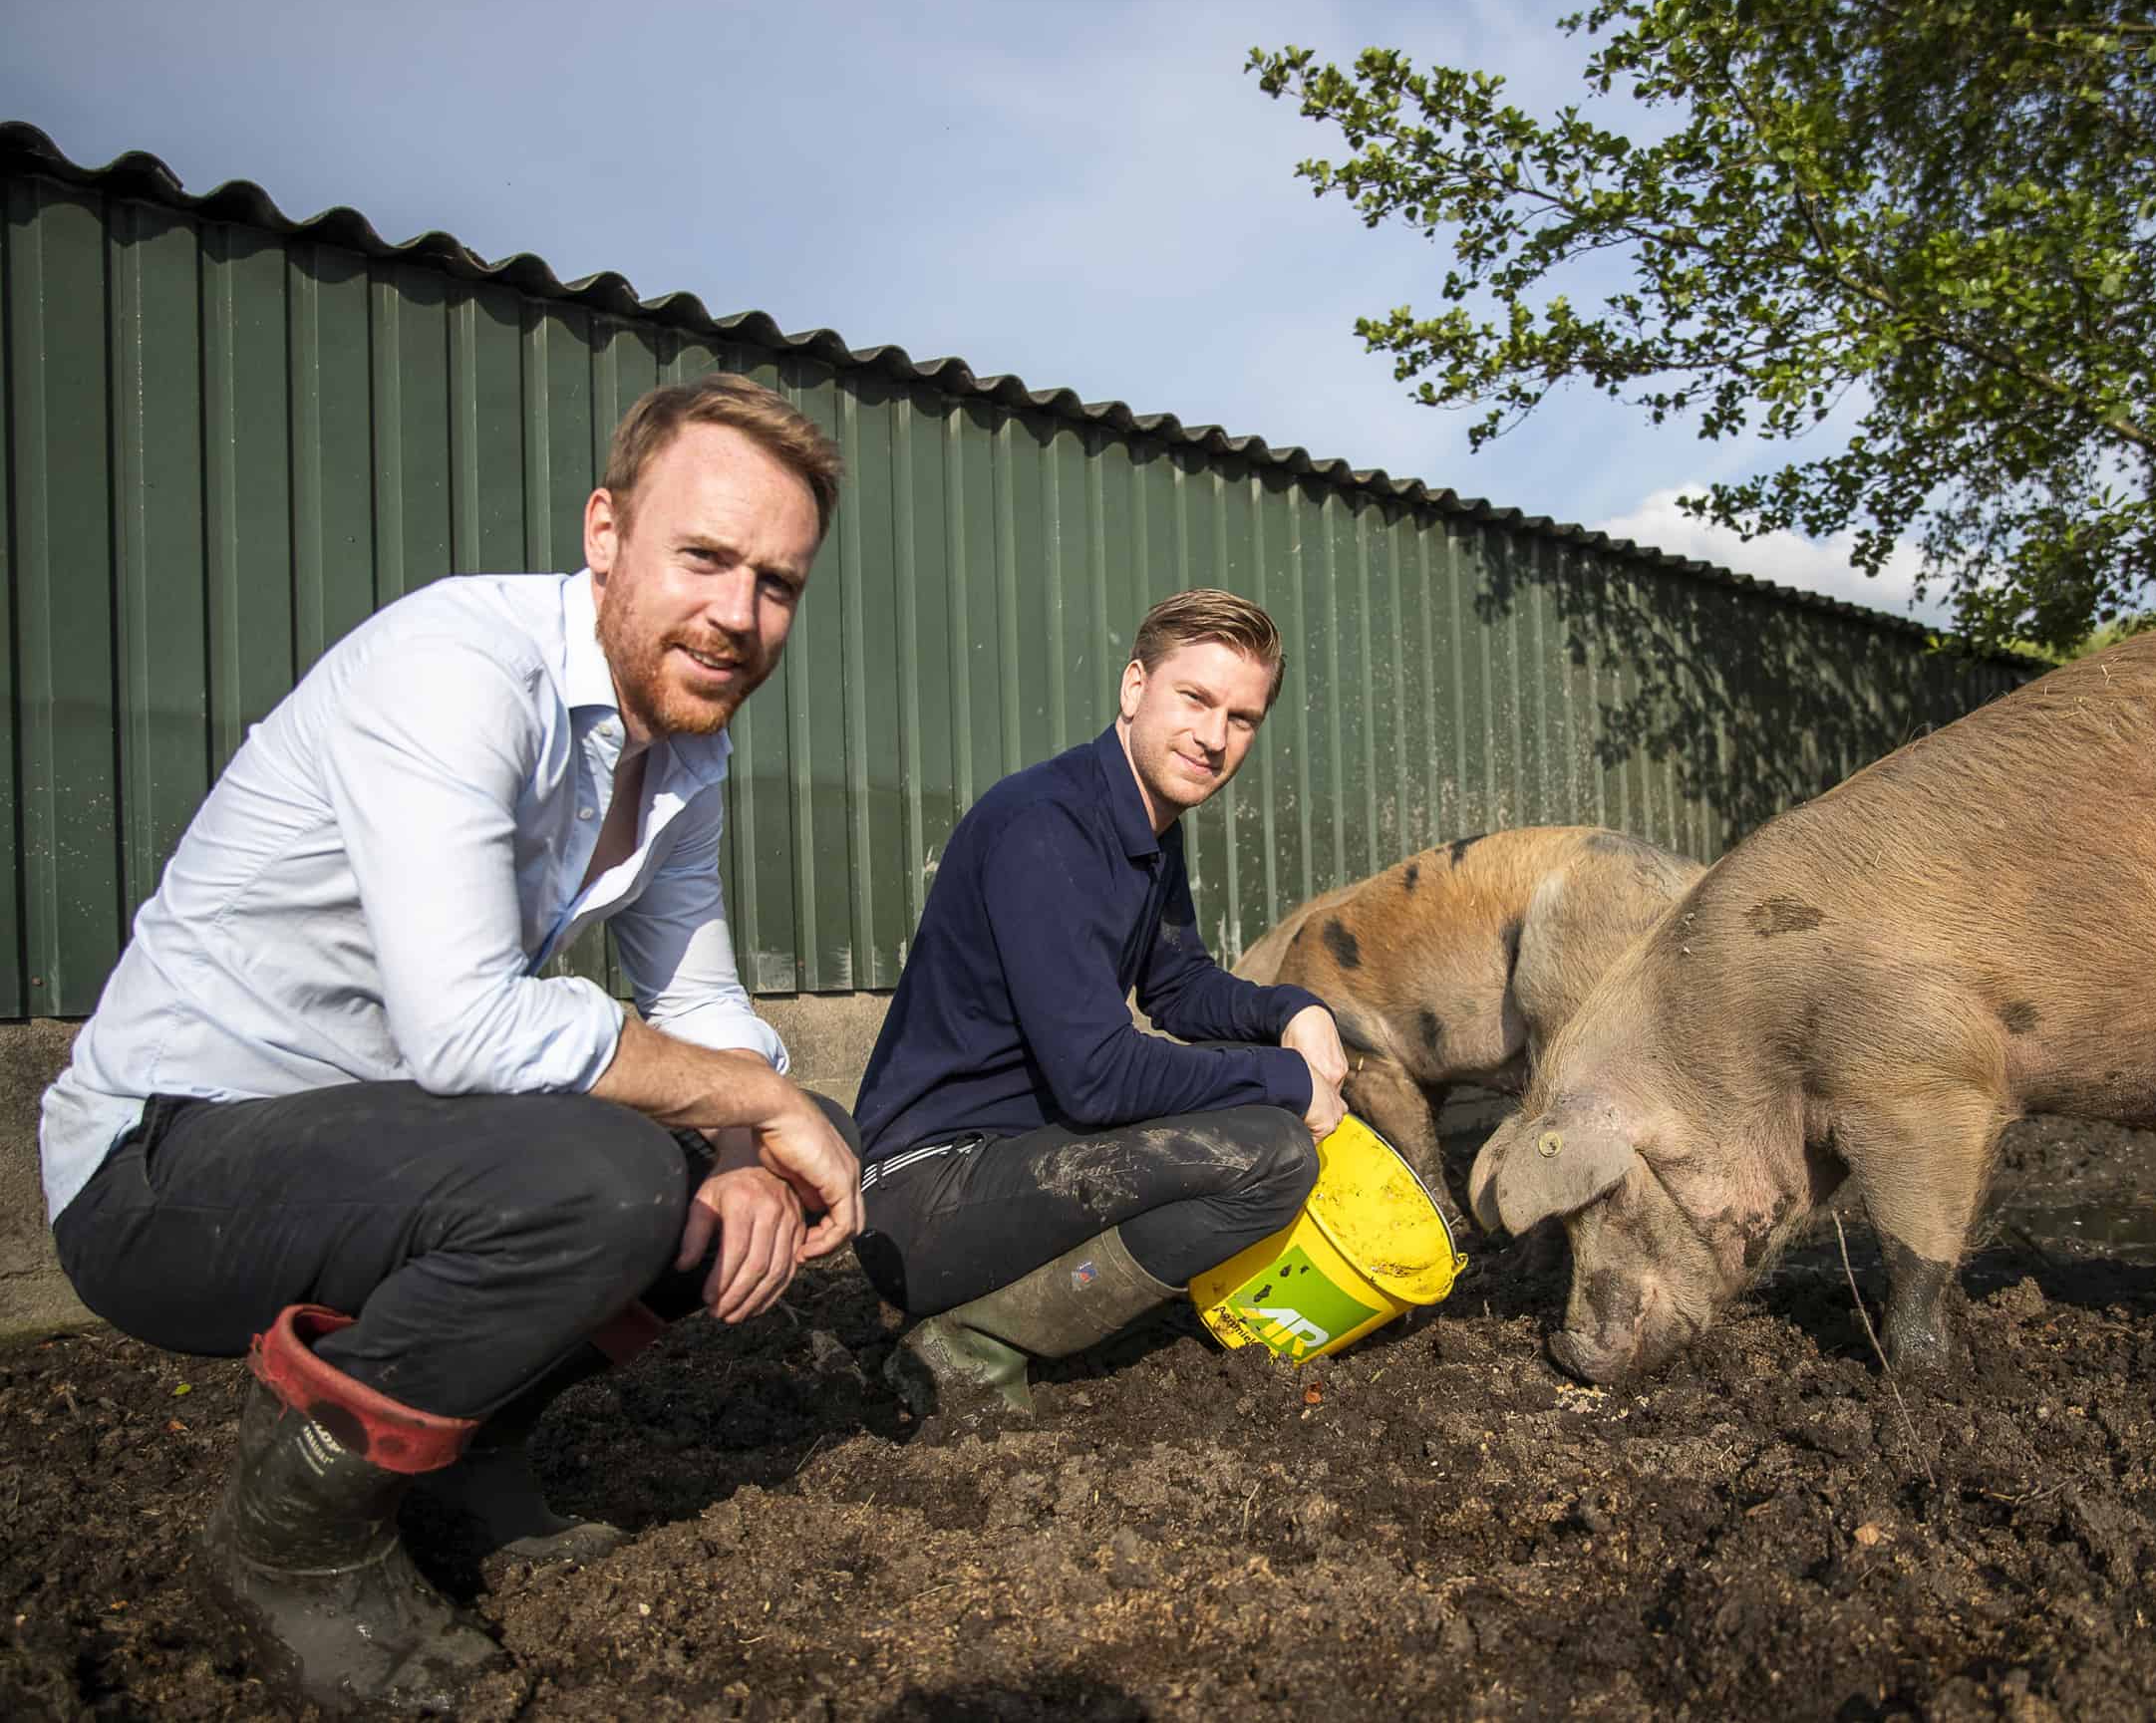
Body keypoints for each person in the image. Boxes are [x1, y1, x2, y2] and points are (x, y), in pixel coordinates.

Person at [38, 375, 865, 1715]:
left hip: (369, 1142)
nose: (737, 613)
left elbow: (706, 1008)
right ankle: (291, 1533)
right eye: (704, 556)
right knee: (606, 1179)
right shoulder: (460, 666)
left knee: (762, 1140)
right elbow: (469, 1022)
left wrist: (756, 1147)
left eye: (778, 582)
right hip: (162, 1160)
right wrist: (745, 1097)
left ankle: (463, 1451)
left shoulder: (684, 760)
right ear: (606, 531)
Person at [852, 588, 1349, 1422]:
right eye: (1195, 698)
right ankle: (972, 1341)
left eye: (1243, 716)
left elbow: (1179, 985)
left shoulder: (1147, 824)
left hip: (1015, 1159)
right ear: (1132, 687)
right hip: (922, 1194)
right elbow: (1097, 1076)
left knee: (1259, 1131)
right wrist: (1287, 1081)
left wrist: (1294, 1010)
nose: (1215, 736)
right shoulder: (1044, 827)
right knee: (1272, 1153)